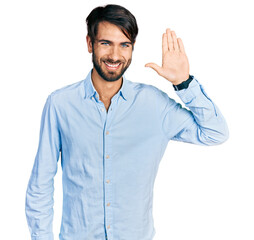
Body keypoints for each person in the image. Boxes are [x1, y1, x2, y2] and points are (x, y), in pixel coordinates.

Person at [25, 4, 229, 240]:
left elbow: (215, 133)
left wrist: (184, 83)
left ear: (132, 49)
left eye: (124, 45)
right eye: (105, 43)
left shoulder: (154, 104)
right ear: (90, 44)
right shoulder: (60, 104)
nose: (114, 55)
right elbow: (41, 183)